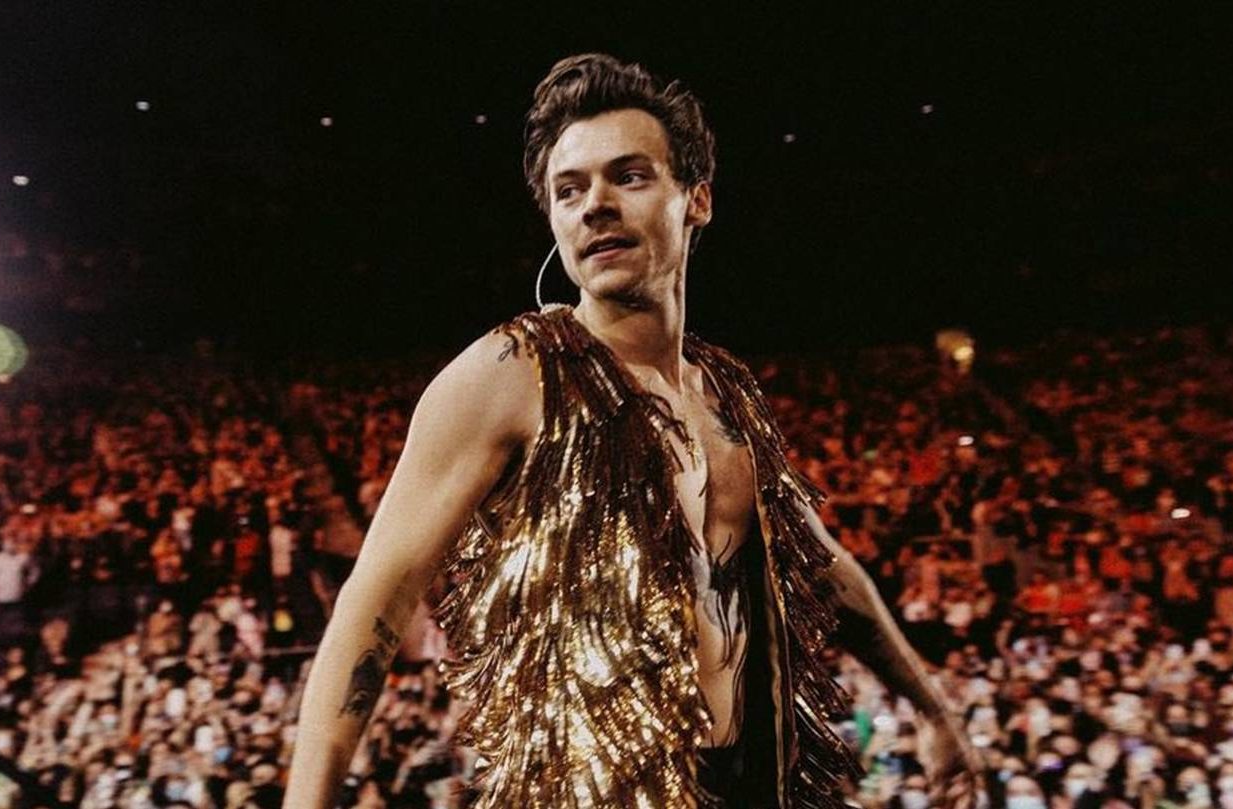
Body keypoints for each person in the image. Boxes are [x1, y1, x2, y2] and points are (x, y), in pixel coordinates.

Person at [286, 53, 980, 808]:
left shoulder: (728, 393)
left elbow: (820, 567)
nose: (595, 205)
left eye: (629, 176)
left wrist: (933, 709)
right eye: (569, 189)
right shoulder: (513, 373)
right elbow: (374, 605)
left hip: (756, 786)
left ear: (697, 200)